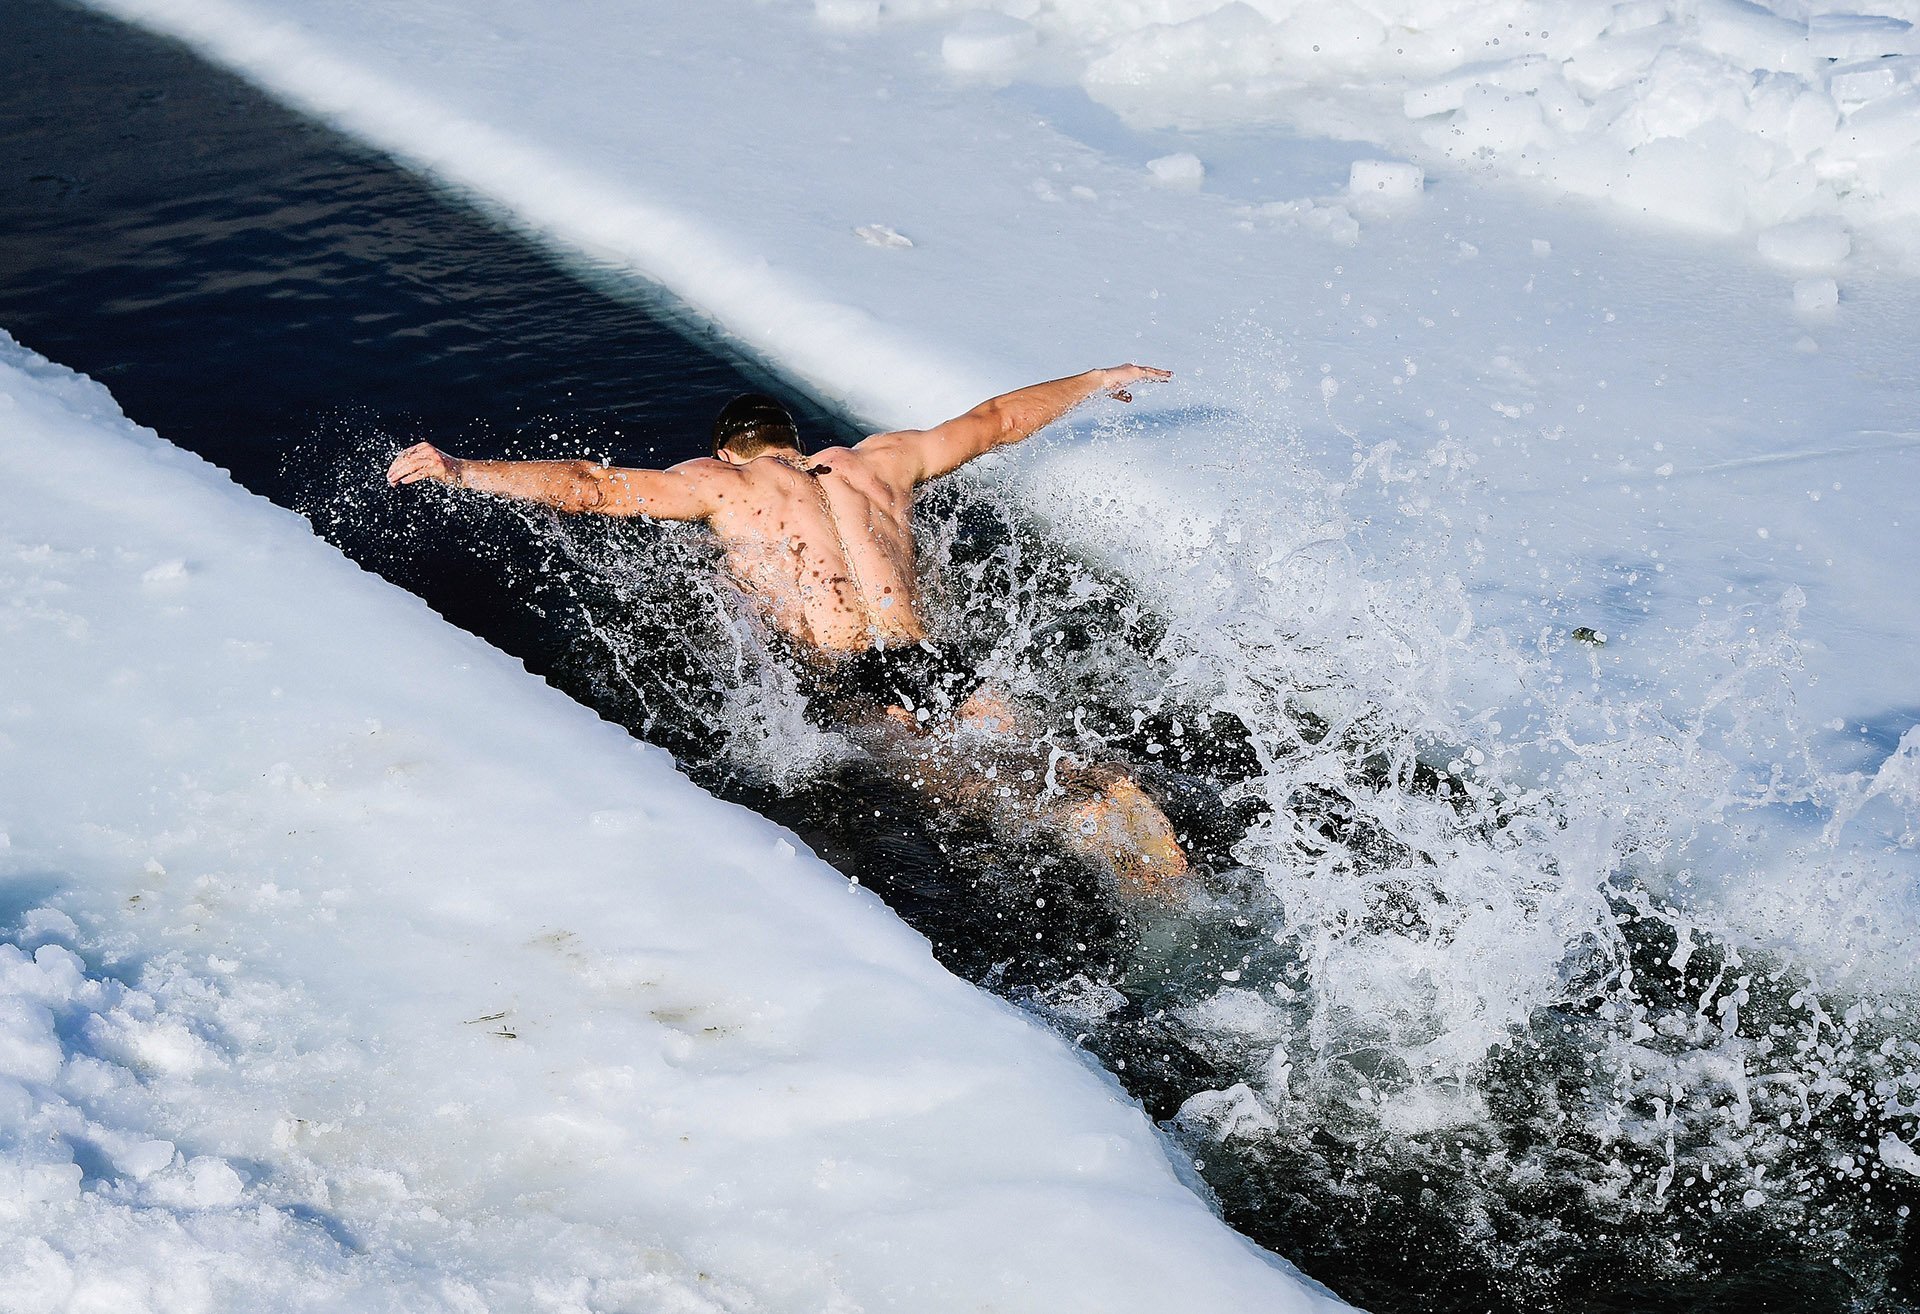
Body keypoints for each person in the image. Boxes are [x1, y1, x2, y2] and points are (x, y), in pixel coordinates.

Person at [386, 365, 1186, 893]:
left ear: (729, 450)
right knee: (1046, 761)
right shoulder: (879, 462)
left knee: (976, 795)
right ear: (792, 443)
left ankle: (1091, 844)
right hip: (937, 659)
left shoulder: (721, 484)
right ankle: (1128, 820)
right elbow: (998, 417)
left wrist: (465, 471)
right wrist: (1093, 379)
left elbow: (591, 489)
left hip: (859, 684)